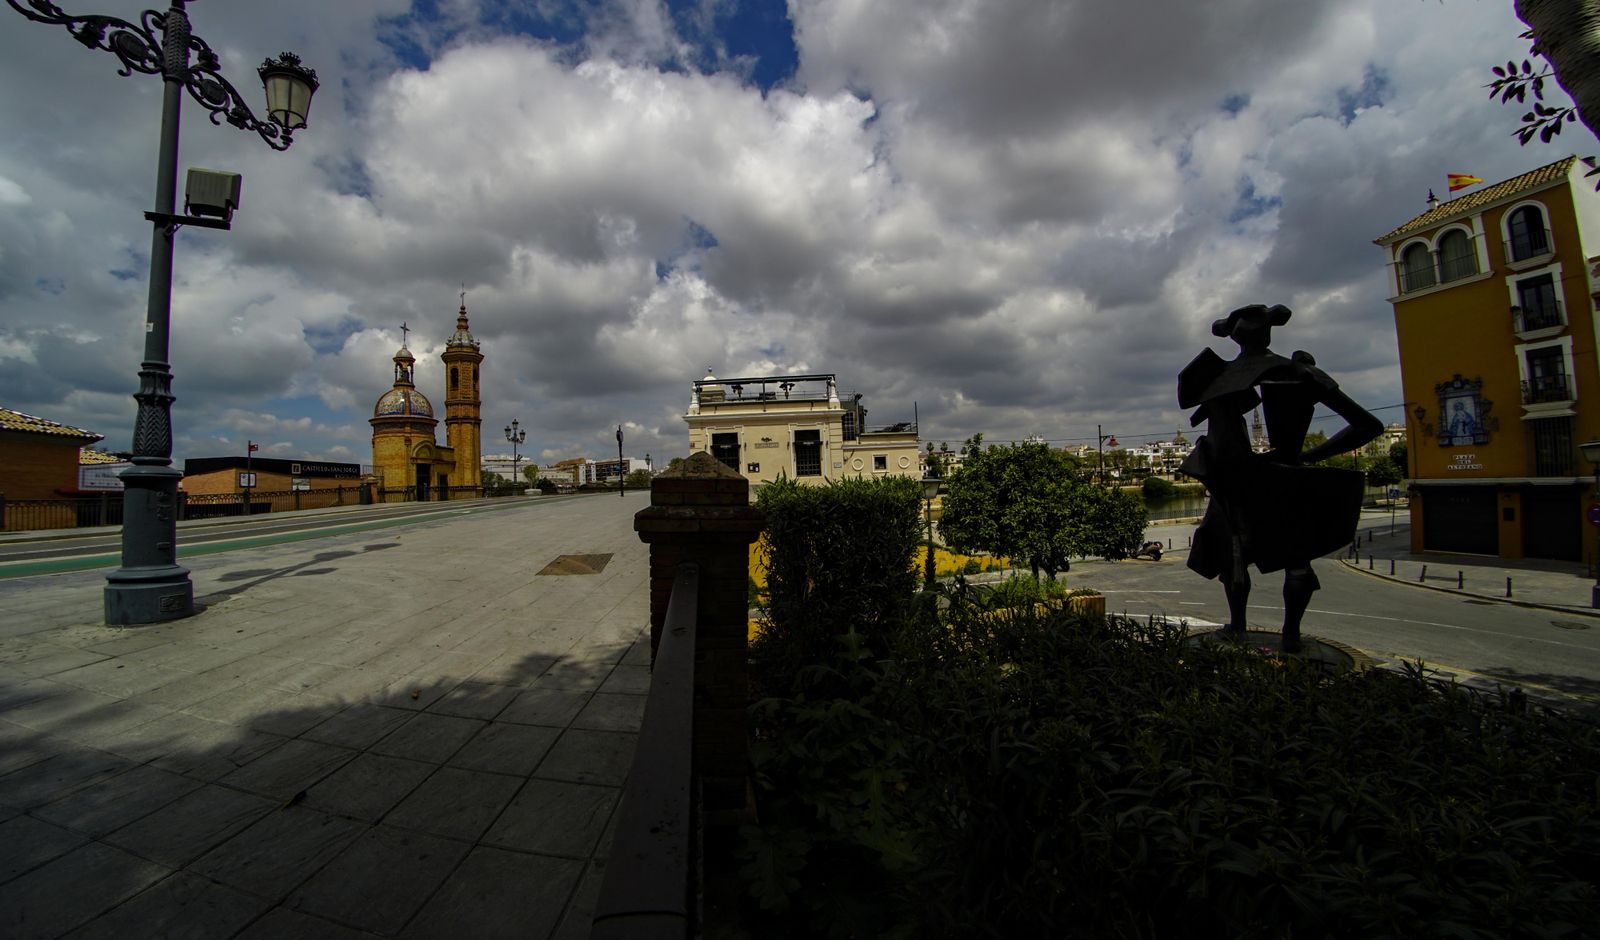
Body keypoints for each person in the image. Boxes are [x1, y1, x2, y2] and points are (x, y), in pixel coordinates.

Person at [1177, 303, 1382, 652]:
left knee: (1282, 558)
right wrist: (1305, 458)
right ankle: (1258, 629)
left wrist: (1305, 457)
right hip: (1241, 482)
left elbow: (1367, 426)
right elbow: (1367, 425)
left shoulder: (1283, 373)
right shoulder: (1223, 376)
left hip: (1266, 480)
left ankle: (1279, 633)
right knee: (1243, 558)